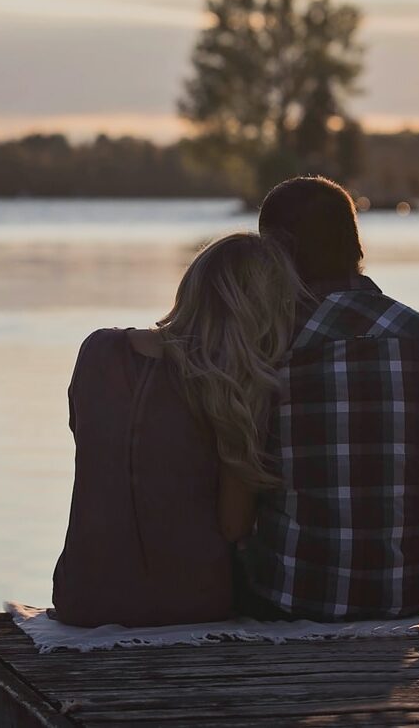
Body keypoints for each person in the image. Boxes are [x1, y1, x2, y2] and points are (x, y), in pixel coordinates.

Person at [237, 175, 419, 621]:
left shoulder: (263, 348)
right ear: (357, 248)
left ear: (278, 251)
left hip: (285, 600)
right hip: (410, 596)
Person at [50, 232, 302, 627]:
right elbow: (233, 525)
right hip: (192, 604)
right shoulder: (236, 386)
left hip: (82, 597)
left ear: (192, 285)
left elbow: (90, 440)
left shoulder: (98, 350)